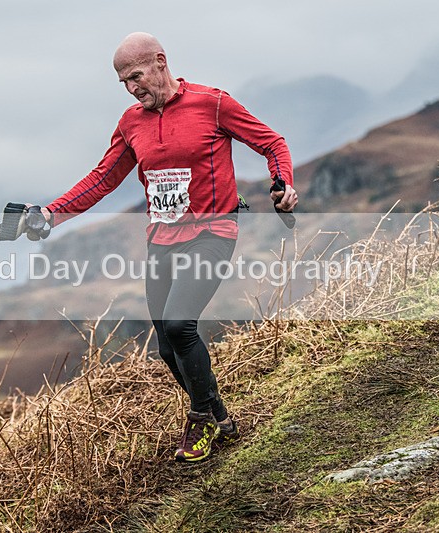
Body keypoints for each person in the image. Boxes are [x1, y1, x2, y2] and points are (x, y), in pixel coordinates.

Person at [29, 32, 297, 462]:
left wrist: (282, 181)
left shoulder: (212, 103)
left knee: (179, 326)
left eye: (136, 76)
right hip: (162, 240)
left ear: (159, 62)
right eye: (124, 83)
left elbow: (272, 142)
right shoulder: (131, 122)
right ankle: (220, 416)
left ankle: (200, 420)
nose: (133, 88)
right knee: (167, 346)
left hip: (213, 232)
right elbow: (103, 179)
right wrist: (49, 214)